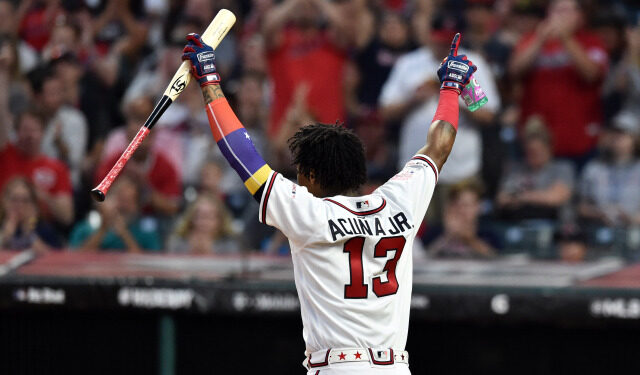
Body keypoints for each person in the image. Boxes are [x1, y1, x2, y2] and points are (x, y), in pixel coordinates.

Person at [179, 31, 476, 373]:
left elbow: (241, 155)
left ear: (316, 177)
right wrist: (452, 87)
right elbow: (438, 146)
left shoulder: (308, 213)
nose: (299, 179)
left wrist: (210, 82)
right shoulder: (399, 201)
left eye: (302, 172)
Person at [509, 0, 608, 160]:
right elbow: (515, 70)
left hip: (578, 137)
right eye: (556, 11)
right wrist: (539, 40)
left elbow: (591, 74)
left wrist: (566, 39)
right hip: (536, 138)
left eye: (566, 11)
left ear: (580, 16)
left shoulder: (592, 42)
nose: (559, 16)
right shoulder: (531, 39)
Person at [0, 108, 74, 227]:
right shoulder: (4, 155)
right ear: (16, 132)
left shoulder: (56, 169)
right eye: (25, 130)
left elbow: (67, 216)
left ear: (43, 132)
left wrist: (39, 195)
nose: (29, 135)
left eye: (34, 130)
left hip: (39, 226)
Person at [495, 118, 574, 221]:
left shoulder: (562, 168)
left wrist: (522, 197)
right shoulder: (515, 169)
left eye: (538, 151)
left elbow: (555, 198)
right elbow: (501, 199)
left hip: (553, 226)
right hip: (519, 223)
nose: (534, 155)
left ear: (549, 148)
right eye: (530, 151)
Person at [578, 111, 640, 226]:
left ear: (635, 139)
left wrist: (630, 218)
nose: (617, 138)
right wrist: (600, 213)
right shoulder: (594, 168)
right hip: (600, 231)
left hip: (635, 233)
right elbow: (582, 207)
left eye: (622, 133)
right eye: (613, 133)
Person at [70, 176, 161, 252]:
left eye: (128, 201)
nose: (122, 207)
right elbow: (76, 258)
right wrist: (103, 229)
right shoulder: (86, 227)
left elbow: (149, 263)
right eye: (119, 199)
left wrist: (124, 234)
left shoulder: (146, 231)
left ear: (137, 206)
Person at [424, 180, 498, 259]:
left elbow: (496, 258)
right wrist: (448, 235)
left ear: (478, 207)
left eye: (466, 205)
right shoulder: (435, 231)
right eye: (457, 204)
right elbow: (424, 257)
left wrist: (470, 240)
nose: (461, 210)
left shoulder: (488, 232)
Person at [0, 177, 62, 252]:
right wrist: (5, 236)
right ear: (4, 201)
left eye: (25, 200)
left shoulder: (43, 228)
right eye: (14, 199)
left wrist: (29, 233)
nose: (19, 205)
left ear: (34, 205)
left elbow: (56, 258)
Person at [167, 194, 238, 254]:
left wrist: (209, 252)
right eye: (199, 217)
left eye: (209, 217)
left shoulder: (228, 243)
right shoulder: (178, 241)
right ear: (191, 219)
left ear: (220, 220)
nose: (204, 223)